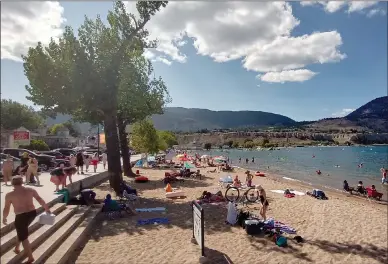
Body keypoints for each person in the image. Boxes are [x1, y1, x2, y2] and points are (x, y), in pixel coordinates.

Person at [2, 176, 50, 263]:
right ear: (22, 182)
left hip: (21, 216)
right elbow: (39, 199)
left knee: (24, 236)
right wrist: (46, 208)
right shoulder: (30, 190)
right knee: (21, 231)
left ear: (12, 183)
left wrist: (4, 218)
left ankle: (30, 257)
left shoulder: (9, 194)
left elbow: (6, 208)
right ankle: (17, 247)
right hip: (32, 213)